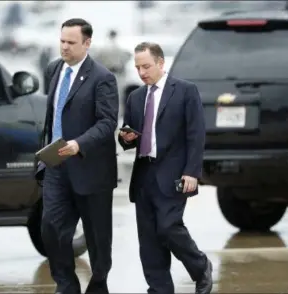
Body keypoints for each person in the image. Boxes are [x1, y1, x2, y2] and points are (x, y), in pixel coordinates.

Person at [118, 42, 213, 294]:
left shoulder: (184, 91)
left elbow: (196, 134)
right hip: (144, 175)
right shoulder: (135, 97)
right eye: (138, 68)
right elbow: (130, 135)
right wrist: (125, 138)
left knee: (169, 227)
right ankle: (159, 289)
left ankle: (200, 265)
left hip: (173, 173)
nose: (142, 72)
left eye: (146, 66)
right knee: (148, 239)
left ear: (161, 63)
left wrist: (192, 171)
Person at [37, 18, 119, 294]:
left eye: (71, 43)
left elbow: (108, 123)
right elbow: (51, 116)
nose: (64, 47)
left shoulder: (102, 78)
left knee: (97, 239)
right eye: (62, 41)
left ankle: (98, 286)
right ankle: (66, 285)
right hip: (56, 165)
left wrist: (78, 144)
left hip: (90, 168)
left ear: (87, 43)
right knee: (51, 227)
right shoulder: (53, 70)